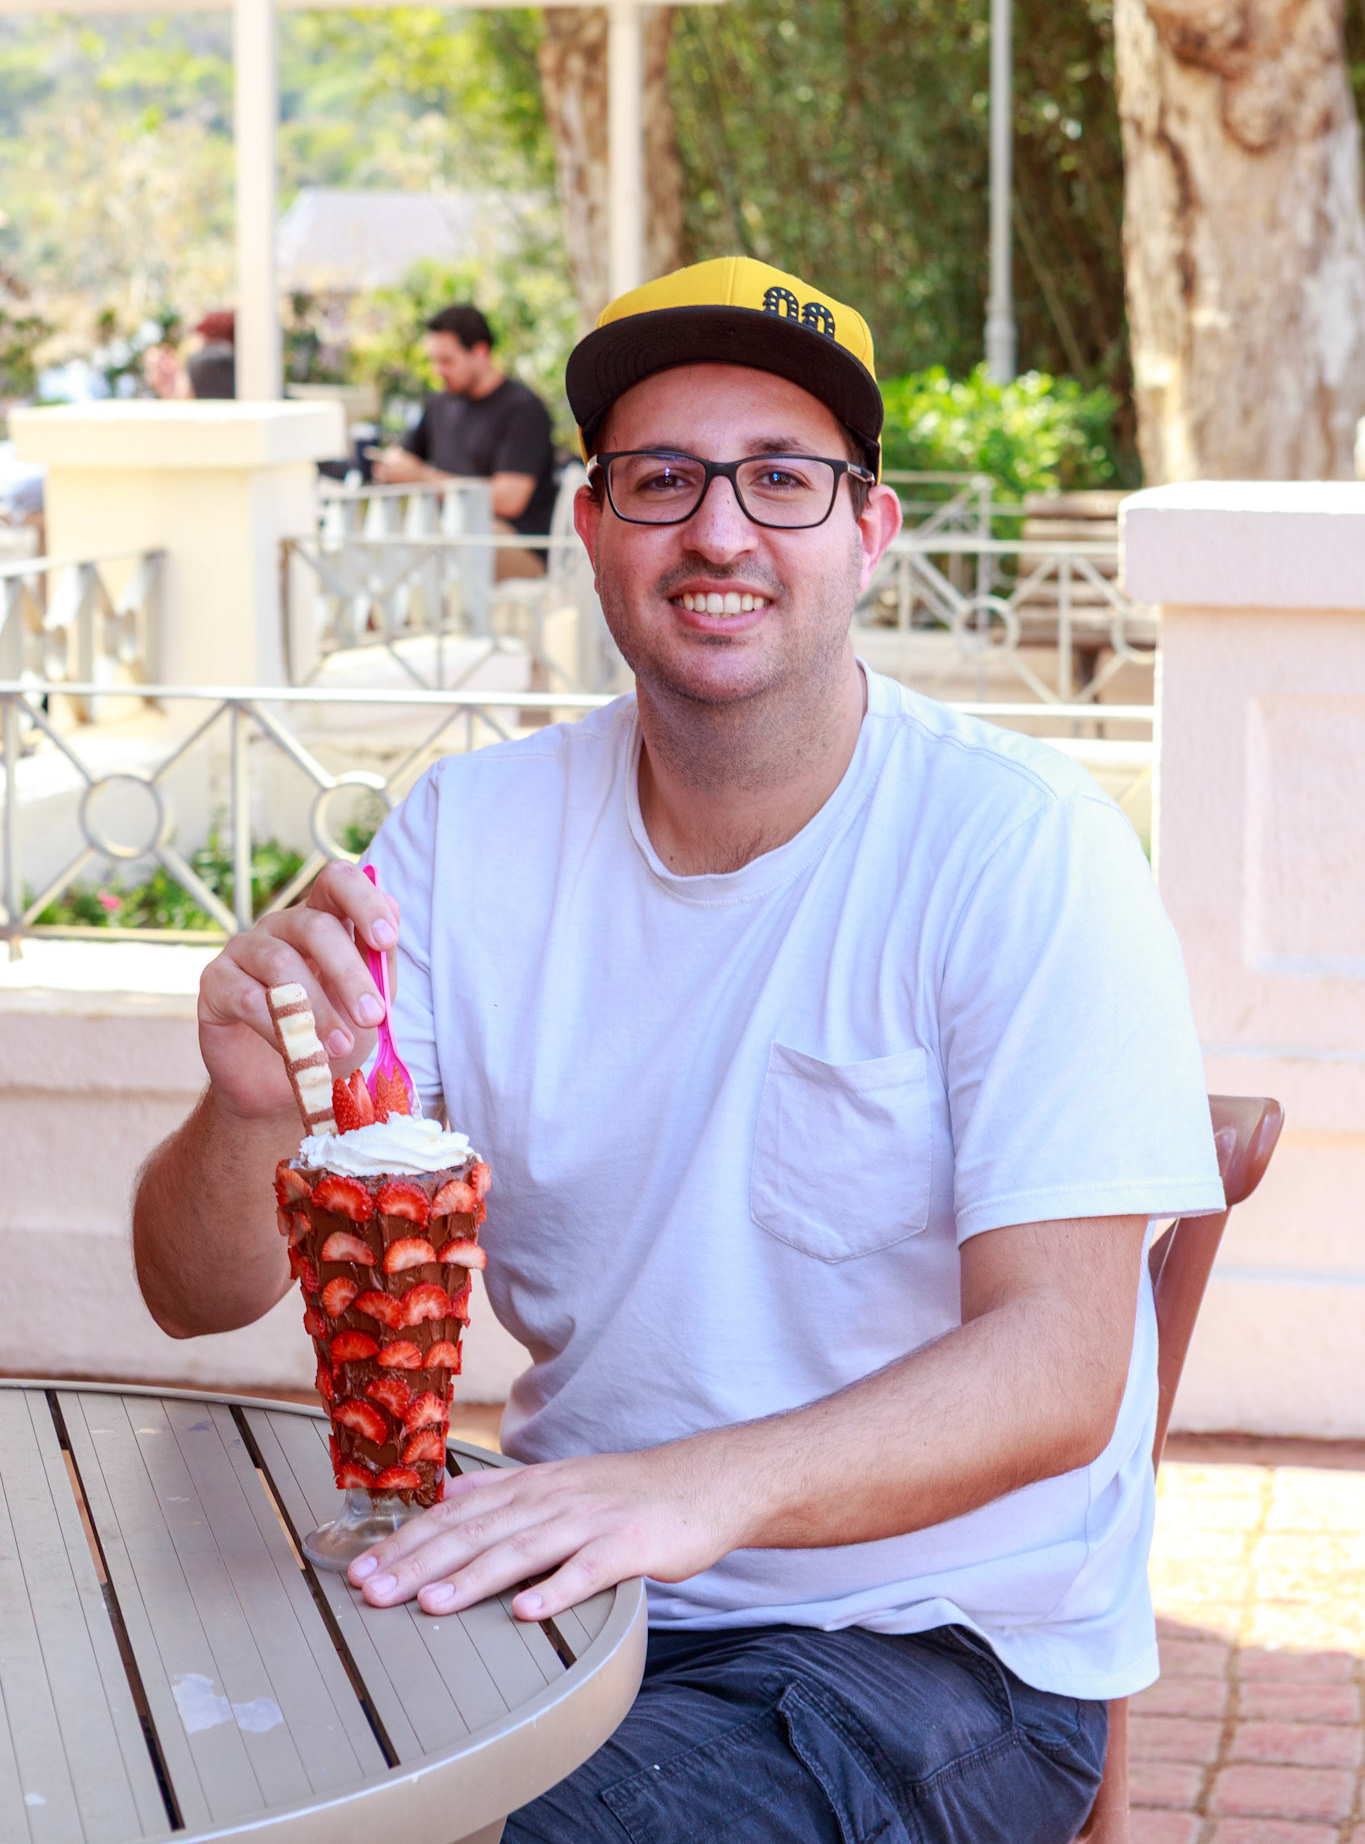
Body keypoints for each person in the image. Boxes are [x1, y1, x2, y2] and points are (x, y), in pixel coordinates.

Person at [132, 255, 1223, 1844]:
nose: (720, 530)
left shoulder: (1019, 850)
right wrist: (244, 1116)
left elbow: (1058, 1370)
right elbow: (195, 1291)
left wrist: (682, 1491)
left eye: (782, 480)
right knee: (179, 1757)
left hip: (925, 1649)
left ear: (869, 530)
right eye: (662, 480)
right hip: (574, 1590)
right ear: (589, 530)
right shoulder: (468, 837)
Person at [374, 302, 557, 581]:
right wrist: (392, 467)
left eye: (447, 361)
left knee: (436, 553)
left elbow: (509, 499)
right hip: (448, 534)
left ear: (480, 353)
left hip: (516, 544)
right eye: (433, 361)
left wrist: (423, 477)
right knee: (383, 545)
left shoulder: (523, 410)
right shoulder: (439, 405)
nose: (438, 370)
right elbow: (407, 457)